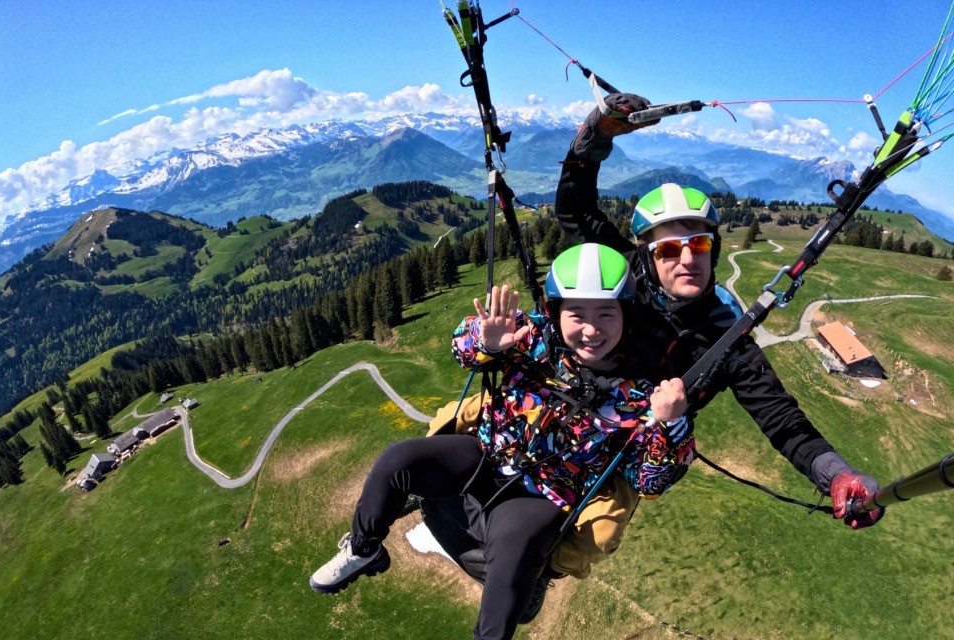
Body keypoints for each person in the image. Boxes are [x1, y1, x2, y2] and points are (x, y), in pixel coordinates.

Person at [547, 93, 885, 576]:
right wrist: (595, 135)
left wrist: (836, 475)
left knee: (580, 544)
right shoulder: (624, 275)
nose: (687, 259)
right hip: (576, 405)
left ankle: (538, 574)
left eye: (699, 244)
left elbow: (782, 421)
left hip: (637, 446)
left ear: (714, 248)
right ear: (647, 256)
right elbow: (575, 211)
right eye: (669, 250)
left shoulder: (729, 341)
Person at [310, 243, 693, 640]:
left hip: (546, 492)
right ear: (557, 313)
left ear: (625, 316)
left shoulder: (638, 396)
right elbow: (462, 348)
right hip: (486, 452)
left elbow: (648, 482)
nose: (591, 330)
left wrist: (670, 426)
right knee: (398, 460)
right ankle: (364, 547)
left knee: (513, 549)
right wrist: (486, 342)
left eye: (606, 314)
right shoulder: (532, 337)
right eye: (576, 315)